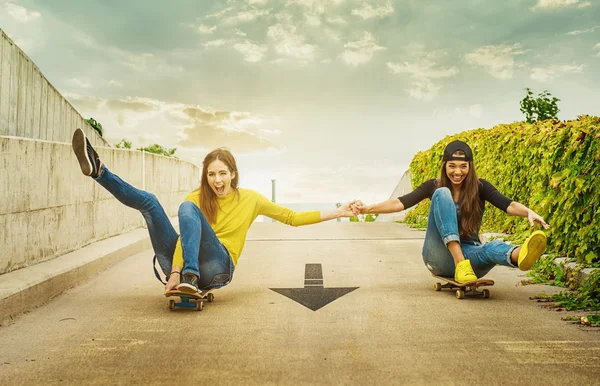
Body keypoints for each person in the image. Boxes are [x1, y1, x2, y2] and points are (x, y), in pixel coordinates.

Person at [71, 128, 358, 294]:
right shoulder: (197, 198)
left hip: (218, 268)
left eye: (222, 173)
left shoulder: (251, 199)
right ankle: (99, 171)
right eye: (211, 175)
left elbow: (292, 218)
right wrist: (174, 271)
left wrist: (339, 211)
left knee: (187, 209)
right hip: (182, 266)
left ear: (233, 174)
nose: (217, 181)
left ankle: (191, 276)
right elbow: (185, 238)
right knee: (152, 204)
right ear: (205, 176)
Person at [351, 140, 550, 283]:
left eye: (463, 166)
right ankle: (459, 263)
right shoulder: (434, 186)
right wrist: (368, 208)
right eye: (452, 166)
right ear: (444, 166)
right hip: (438, 257)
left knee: (490, 247)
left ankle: (520, 256)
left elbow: (508, 204)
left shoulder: (480, 187)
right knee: (442, 193)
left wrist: (528, 212)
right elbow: (400, 203)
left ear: (470, 167)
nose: (457, 172)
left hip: (470, 256)